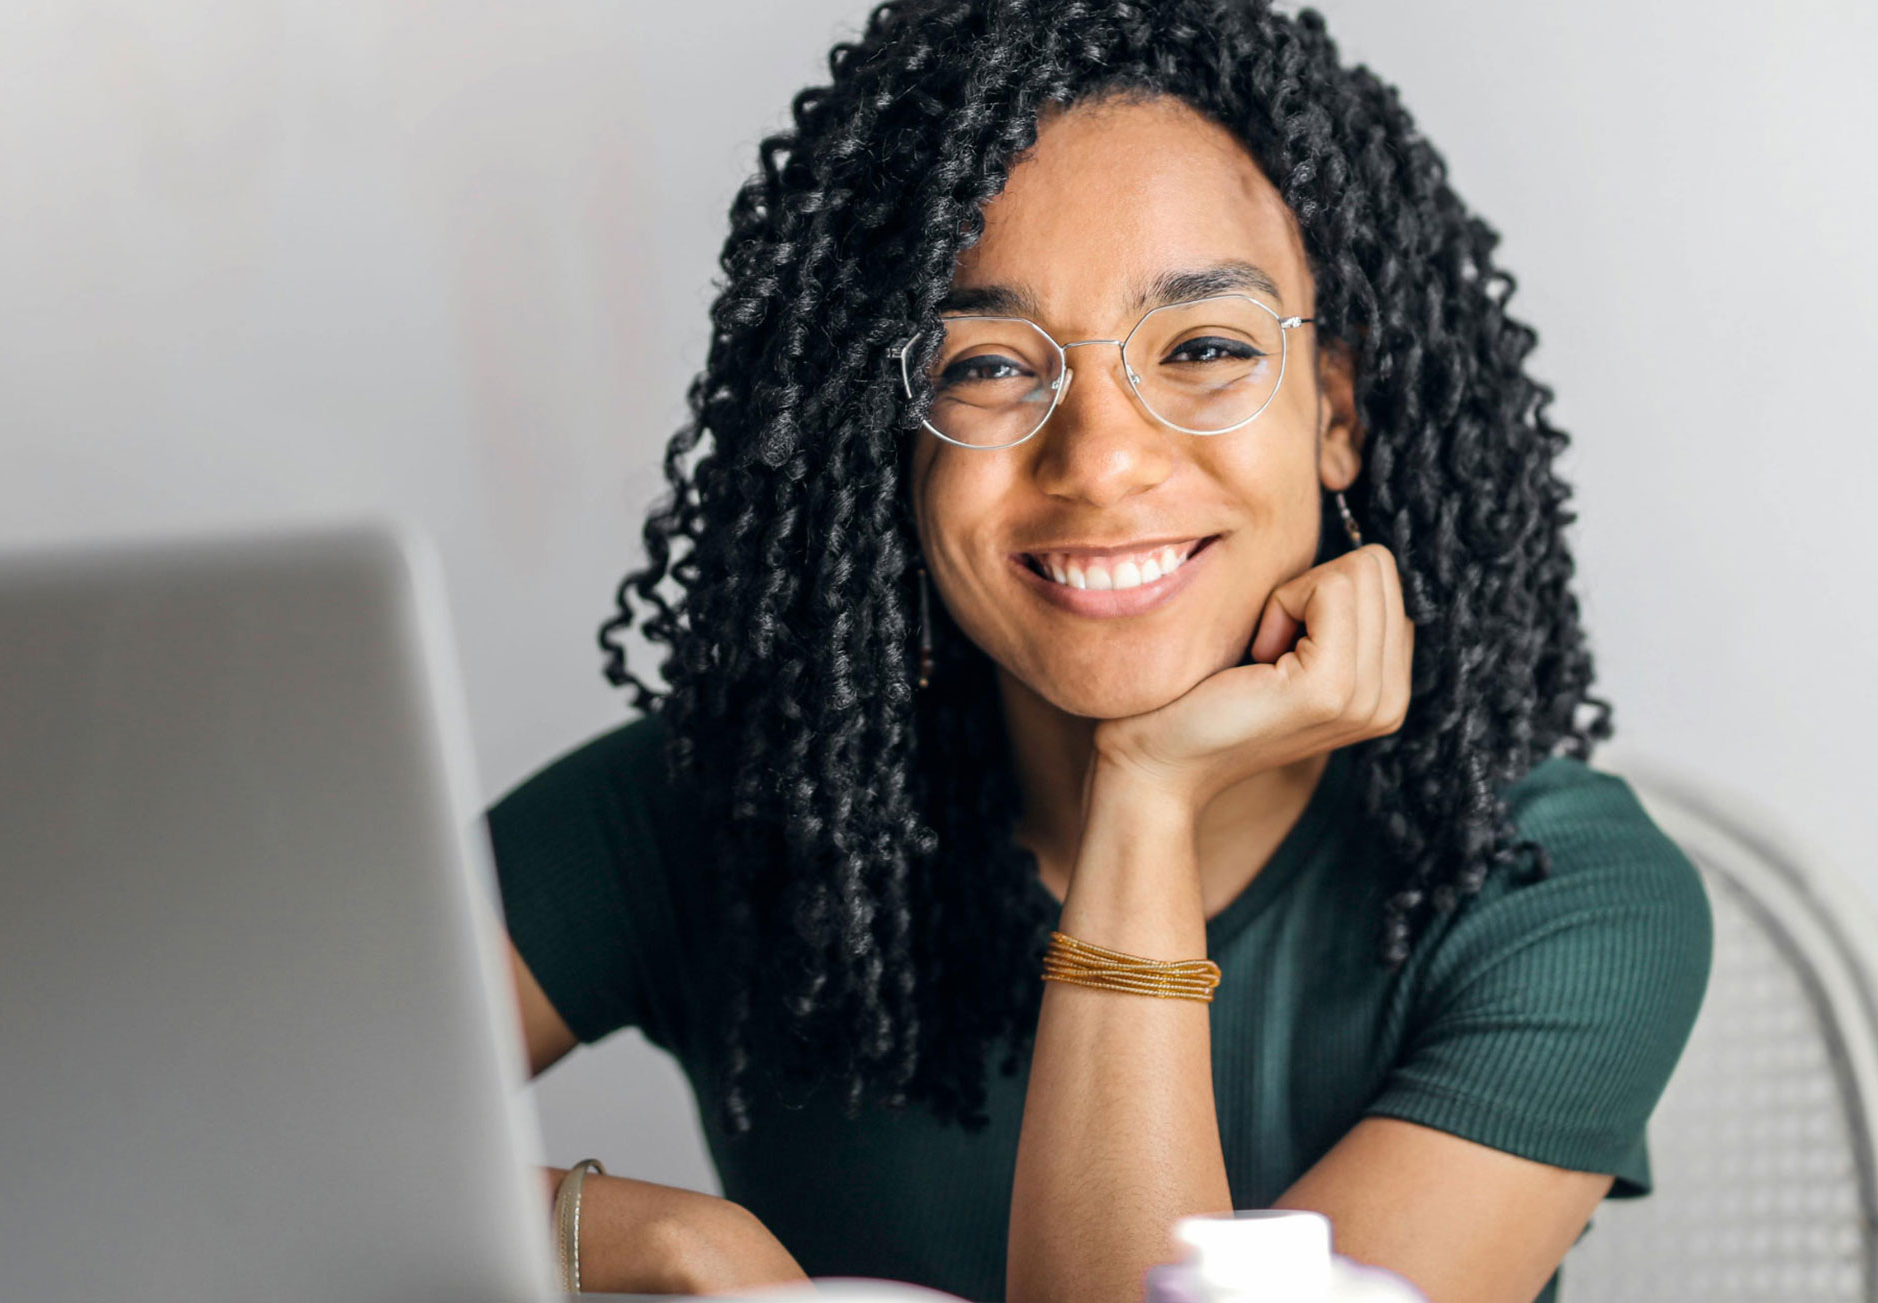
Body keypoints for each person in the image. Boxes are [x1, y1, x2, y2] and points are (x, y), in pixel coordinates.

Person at [486, 2, 1712, 1300]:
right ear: (893, 440)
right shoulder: (730, 806)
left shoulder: (1556, 897)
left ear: (1335, 415)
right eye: (991, 367)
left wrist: (1145, 798)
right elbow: (255, 1124)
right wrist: (657, 1244)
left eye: (1204, 349)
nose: (1102, 459)